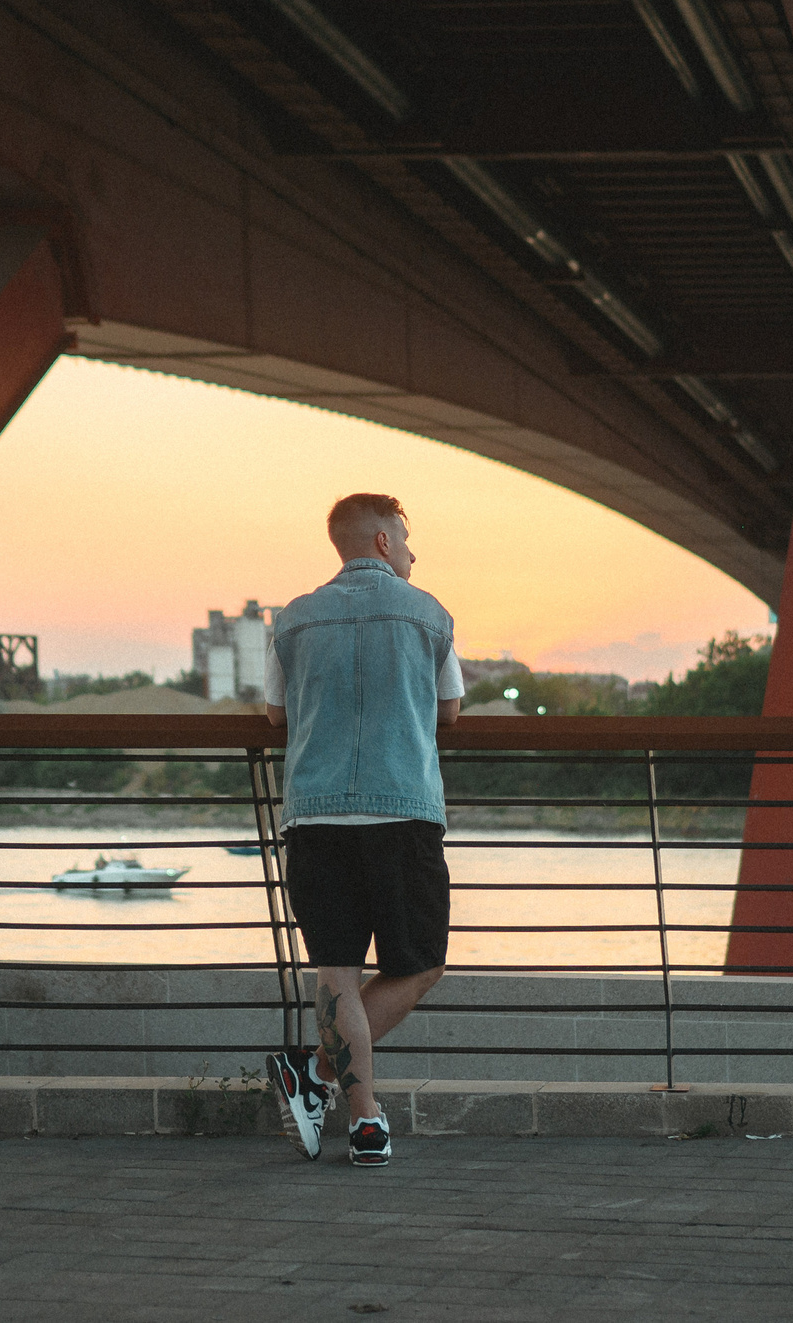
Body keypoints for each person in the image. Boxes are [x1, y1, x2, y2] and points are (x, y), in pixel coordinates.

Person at [263, 493, 463, 1167]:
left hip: (314, 815)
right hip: (402, 811)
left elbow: (272, 713)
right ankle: (350, 1105)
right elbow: (452, 709)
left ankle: (335, 1091)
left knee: (338, 970)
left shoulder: (292, 619)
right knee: (422, 961)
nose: (412, 552)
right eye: (406, 539)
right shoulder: (428, 613)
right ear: (382, 541)